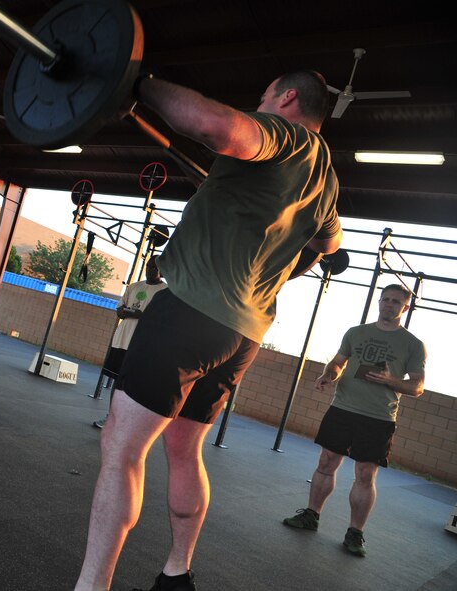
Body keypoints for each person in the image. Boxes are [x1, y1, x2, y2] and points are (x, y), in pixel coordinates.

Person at [74, 70, 342, 591]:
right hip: (242, 336)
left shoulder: (287, 138)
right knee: (184, 448)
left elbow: (212, 124)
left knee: (121, 447)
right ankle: (177, 575)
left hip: (191, 312)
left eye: (264, 94)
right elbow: (329, 247)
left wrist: (138, 82)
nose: (258, 100)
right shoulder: (327, 179)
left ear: (286, 98)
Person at [283, 284, 425, 557]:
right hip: (342, 408)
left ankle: (355, 533)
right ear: (379, 302)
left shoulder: (413, 344)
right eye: (385, 300)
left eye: (396, 302)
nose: (389, 305)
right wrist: (329, 375)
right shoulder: (356, 333)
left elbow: (417, 387)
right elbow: (337, 362)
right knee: (326, 463)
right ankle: (311, 516)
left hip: (378, 417)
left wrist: (390, 380)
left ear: (405, 308)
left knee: (364, 475)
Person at [93, 257, 167, 429]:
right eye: (148, 266)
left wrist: (141, 314)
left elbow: (162, 318)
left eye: (154, 268)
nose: (150, 270)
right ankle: (111, 419)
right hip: (122, 342)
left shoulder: (165, 292)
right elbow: (119, 310)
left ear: (162, 270)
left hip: (142, 346)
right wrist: (124, 311)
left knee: (134, 386)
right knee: (117, 382)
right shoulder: (134, 287)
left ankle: (129, 422)